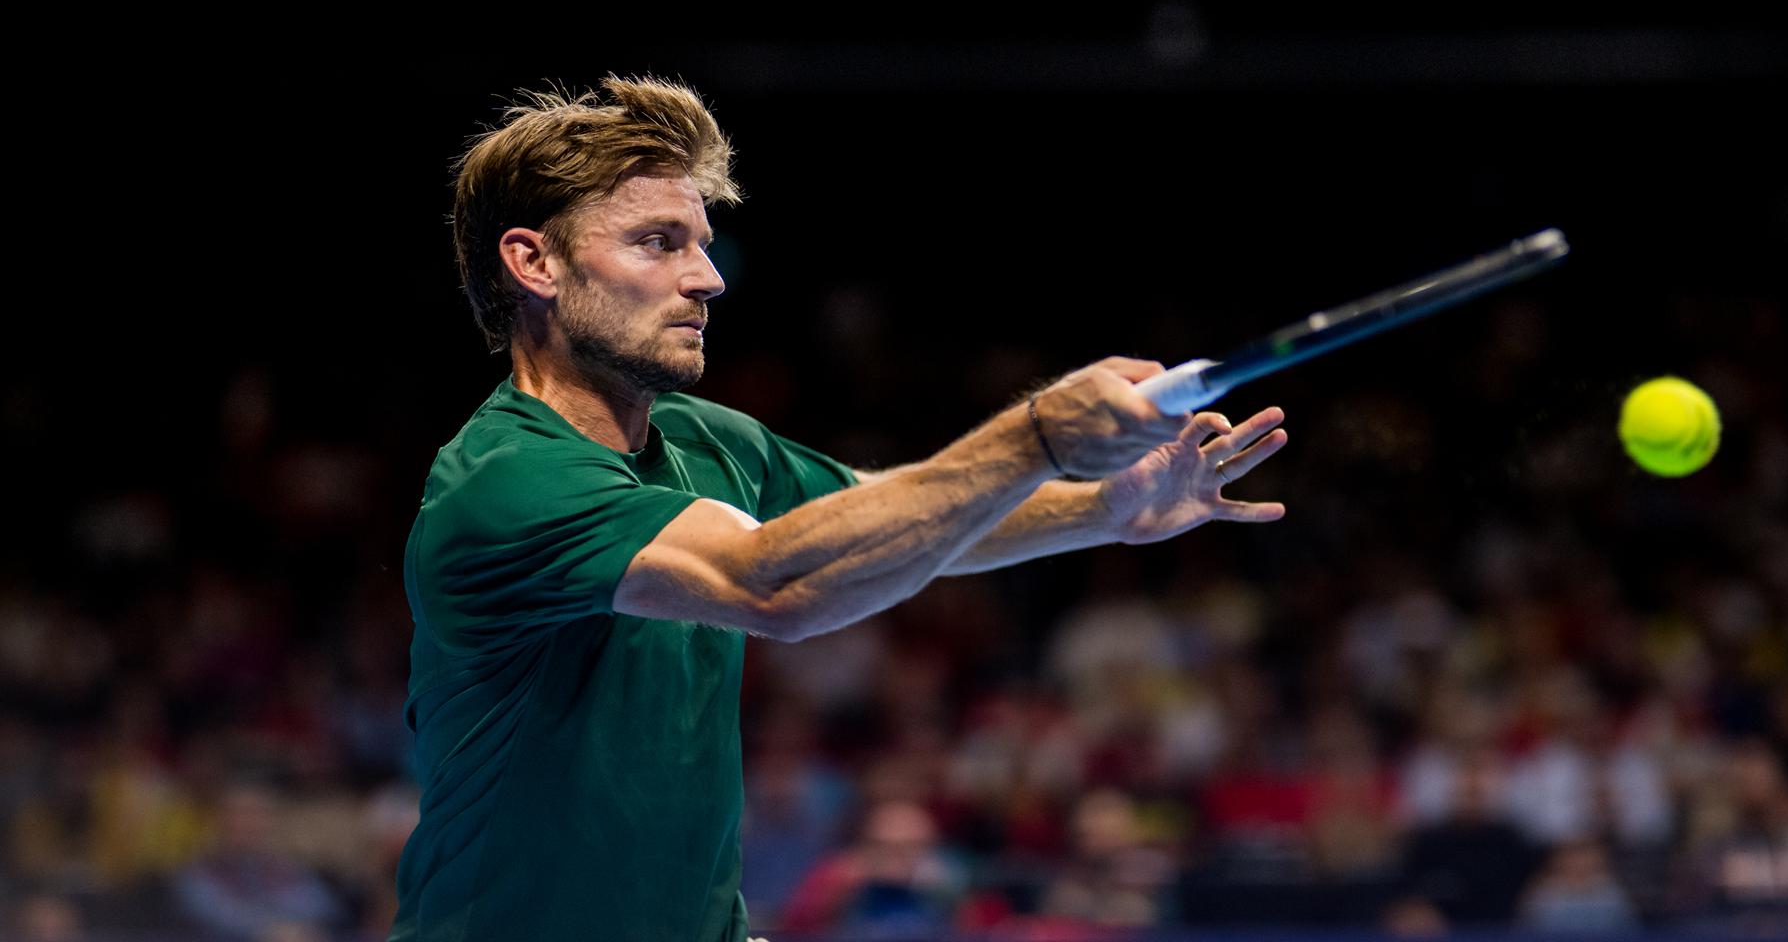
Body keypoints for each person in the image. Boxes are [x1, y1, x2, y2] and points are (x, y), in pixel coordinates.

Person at [389, 76, 1290, 942]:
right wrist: (1033, 440)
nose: (708, 279)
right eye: (658, 242)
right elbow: (776, 582)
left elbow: (888, 514)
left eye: (703, 243)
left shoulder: (709, 443)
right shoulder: (505, 482)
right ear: (532, 261)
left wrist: (1102, 507)